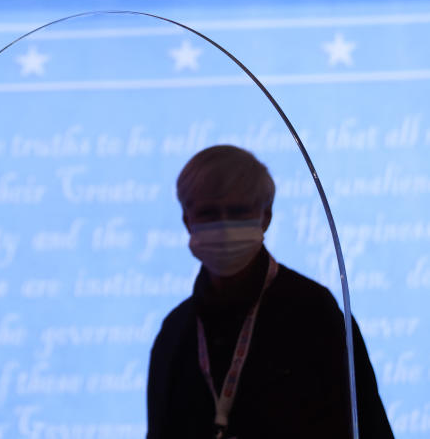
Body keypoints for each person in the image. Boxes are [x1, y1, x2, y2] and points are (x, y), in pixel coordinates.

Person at [146, 144, 394, 439]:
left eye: (238, 212)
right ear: (187, 220)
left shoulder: (315, 314)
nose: (224, 226)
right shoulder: (176, 331)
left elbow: (368, 427)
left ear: (266, 217)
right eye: (209, 212)